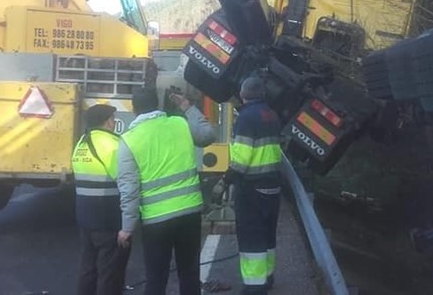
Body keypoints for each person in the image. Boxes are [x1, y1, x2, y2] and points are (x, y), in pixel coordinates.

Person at [116, 88, 216, 295]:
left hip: (156, 220)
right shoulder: (180, 124)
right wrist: (187, 107)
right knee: (189, 274)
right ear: (158, 103)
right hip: (189, 212)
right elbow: (207, 135)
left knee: (156, 278)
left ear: (134, 109)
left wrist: (127, 227)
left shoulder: (129, 140)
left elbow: (129, 188)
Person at [223, 76, 282, 295]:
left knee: (251, 237)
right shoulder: (271, 115)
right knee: (267, 236)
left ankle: (254, 287)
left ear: (243, 93)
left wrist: (225, 181)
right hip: (272, 186)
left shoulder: (246, 118)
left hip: (252, 189)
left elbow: (241, 159)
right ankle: (267, 277)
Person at [72, 104, 130, 295]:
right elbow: (124, 179)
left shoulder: (81, 143)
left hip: (85, 215)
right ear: (107, 121)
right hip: (107, 216)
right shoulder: (112, 145)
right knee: (109, 271)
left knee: (87, 267)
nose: (114, 122)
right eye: (113, 119)